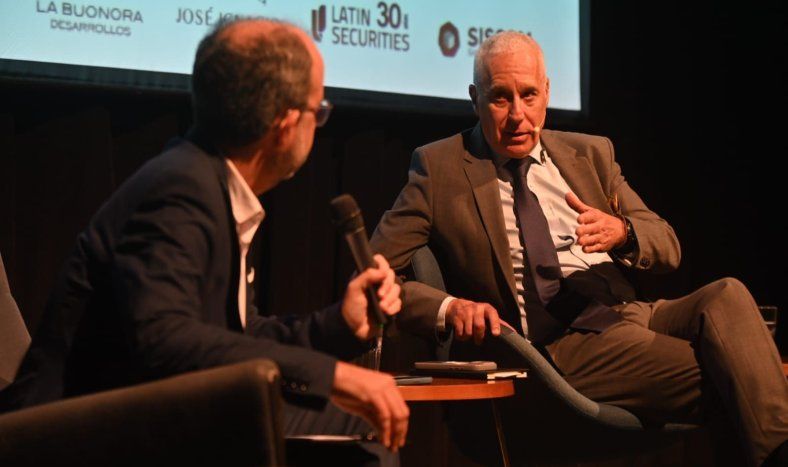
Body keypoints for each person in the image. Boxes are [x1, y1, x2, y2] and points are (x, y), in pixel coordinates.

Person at [370, 31, 787, 466]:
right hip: (562, 344)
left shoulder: (589, 154)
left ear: (547, 92)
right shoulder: (439, 168)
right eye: (500, 98)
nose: (517, 115)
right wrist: (447, 307)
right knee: (745, 376)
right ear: (475, 99)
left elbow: (667, 245)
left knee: (728, 294)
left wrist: (622, 232)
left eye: (529, 95)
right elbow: (372, 278)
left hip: (630, 313)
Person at [1, 18, 408, 462]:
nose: (319, 123)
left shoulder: (207, 183)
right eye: (320, 111)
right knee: (360, 443)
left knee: (361, 431)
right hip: (66, 435)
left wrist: (340, 326)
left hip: (135, 416)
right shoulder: (181, 188)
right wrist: (333, 376)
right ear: (286, 123)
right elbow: (164, 339)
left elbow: (236, 337)